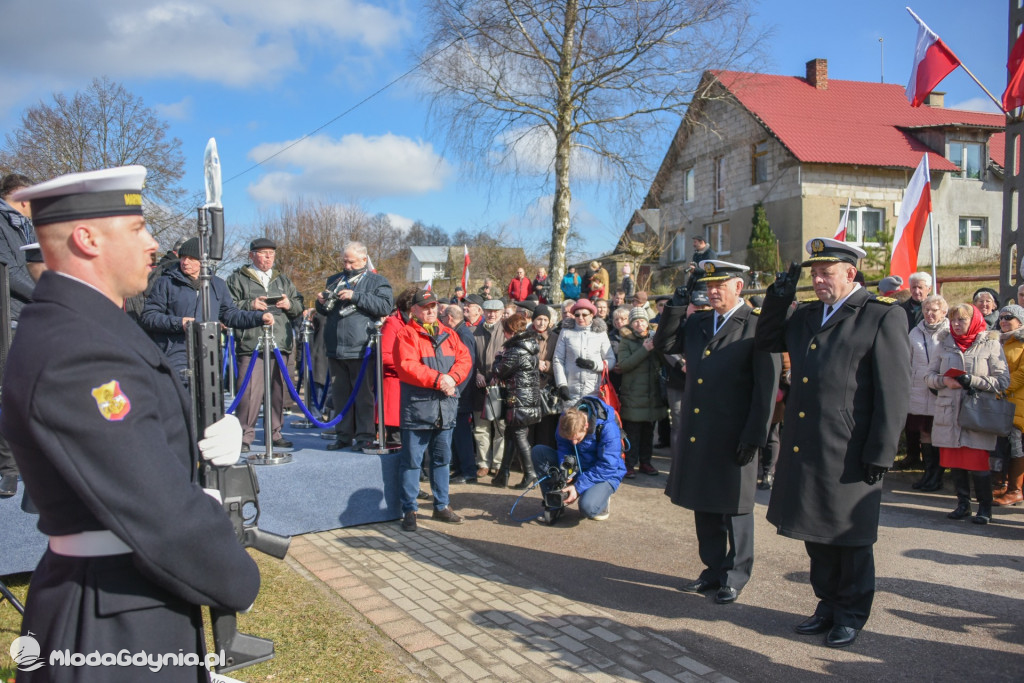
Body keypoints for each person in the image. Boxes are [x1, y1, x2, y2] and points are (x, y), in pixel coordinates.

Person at [2, 166, 260, 678]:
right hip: (110, 616)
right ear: (87, 238)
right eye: (139, 227)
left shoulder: (87, 327)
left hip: (126, 595)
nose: (154, 242)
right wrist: (236, 576)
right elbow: (156, 510)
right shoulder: (79, 350)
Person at [754, 237, 911, 648]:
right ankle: (826, 604)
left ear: (850, 274)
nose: (818, 279)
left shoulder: (879, 316)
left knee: (850, 538)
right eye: (814, 273)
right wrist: (780, 295)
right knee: (815, 534)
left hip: (850, 449)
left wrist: (882, 450)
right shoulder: (808, 315)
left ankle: (851, 614)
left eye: (826, 273)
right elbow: (767, 339)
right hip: (807, 445)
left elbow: (894, 392)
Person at [665, 261, 780, 605]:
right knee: (706, 504)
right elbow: (666, 343)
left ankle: (736, 574)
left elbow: (766, 387)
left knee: (737, 508)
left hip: (736, 431)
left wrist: (756, 435)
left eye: (721, 284)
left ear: (739, 287)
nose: (713, 291)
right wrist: (676, 303)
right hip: (701, 430)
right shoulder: (700, 321)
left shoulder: (757, 325)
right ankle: (713, 569)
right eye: (709, 285)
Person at [142, 237, 270, 386]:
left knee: (208, 402)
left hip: (208, 354)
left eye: (191, 258)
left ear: (202, 261)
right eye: (183, 257)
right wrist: (179, 322)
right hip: (175, 353)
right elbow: (148, 317)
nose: (185, 262)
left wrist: (259, 317)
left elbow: (231, 315)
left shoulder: (217, 285)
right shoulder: (165, 282)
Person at [394, 289, 472, 532]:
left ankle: (441, 506)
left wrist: (452, 378)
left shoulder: (449, 334)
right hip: (418, 409)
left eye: (433, 306)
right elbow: (407, 367)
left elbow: (465, 360)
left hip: (444, 408)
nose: (430, 311)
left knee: (442, 460)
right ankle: (409, 509)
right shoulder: (406, 334)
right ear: (414, 310)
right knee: (412, 462)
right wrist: (441, 380)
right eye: (424, 307)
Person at [925, 303, 1008, 524]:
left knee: (979, 465)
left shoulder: (990, 343)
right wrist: (944, 381)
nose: (956, 324)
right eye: (953, 320)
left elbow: (1002, 381)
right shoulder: (944, 343)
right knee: (956, 464)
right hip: (949, 413)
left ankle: (984, 508)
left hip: (976, 414)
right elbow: (929, 376)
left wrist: (973, 381)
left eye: (961, 319)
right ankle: (962, 504)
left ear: (973, 320)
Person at [226, 238, 304, 452]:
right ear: (252, 255)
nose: (269, 257)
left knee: (279, 390)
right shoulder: (237, 279)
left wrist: (290, 304)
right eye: (263, 253)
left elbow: (299, 306)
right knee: (249, 391)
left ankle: (275, 432)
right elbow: (227, 307)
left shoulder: (283, 279)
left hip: (280, 343)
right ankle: (245, 435)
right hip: (252, 343)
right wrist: (249, 304)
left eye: (272, 253)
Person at [317, 241, 394, 451]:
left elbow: (386, 306)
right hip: (336, 348)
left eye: (351, 261)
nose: (347, 265)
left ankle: (365, 436)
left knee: (363, 396)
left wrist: (356, 296)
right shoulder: (334, 280)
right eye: (344, 261)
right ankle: (343, 435)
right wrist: (320, 302)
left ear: (363, 259)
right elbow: (324, 312)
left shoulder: (377, 281)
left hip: (362, 348)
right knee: (340, 395)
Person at [531, 398, 626, 523]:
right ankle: (555, 504)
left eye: (577, 439)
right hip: (580, 465)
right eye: (570, 439)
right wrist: (566, 469)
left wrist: (577, 487)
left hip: (605, 473)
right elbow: (563, 448)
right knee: (539, 452)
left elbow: (608, 466)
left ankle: (602, 500)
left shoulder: (607, 427)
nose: (574, 443)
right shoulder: (565, 422)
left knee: (587, 508)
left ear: (586, 426)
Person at [0, 173, 36, 499]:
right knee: (9, 394)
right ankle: (8, 470)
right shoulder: (1, 222)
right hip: (8, 316)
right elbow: (7, 271)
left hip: (28, 316)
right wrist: (42, 291)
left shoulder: (26, 226)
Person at [491, 313, 541, 488]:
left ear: (510, 331)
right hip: (527, 398)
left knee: (518, 436)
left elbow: (499, 371)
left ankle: (530, 473)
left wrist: (498, 358)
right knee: (511, 435)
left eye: (505, 331)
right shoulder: (530, 346)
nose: (504, 334)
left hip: (519, 399)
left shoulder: (515, 350)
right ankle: (503, 474)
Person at [906, 295, 949, 490]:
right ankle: (928, 473)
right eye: (926, 310)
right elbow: (907, 359)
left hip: (940, 389)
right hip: (919, 389)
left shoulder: (949, 332)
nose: (929, 314)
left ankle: (937, 476)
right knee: (924, 432)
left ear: (943, 312)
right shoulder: (915, 332)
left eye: (934, 310)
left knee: (937, 432)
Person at [440, 303, 479, 484]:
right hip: (459, 391)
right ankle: (461, 468)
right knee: (457, 432)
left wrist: (455, 388)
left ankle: (469, 471)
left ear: (449, 318)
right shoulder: (461, 333)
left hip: (461, 392)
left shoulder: (463, 335)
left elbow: (466, 366)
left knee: (462, 433)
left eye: (442, 317)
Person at [553, 298, 616, 408]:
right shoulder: (566, 332)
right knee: (571, 424)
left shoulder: (600, 333)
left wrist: (595, 365)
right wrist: (562, 384)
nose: (580, 318)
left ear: (592, 315)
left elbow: (611, 360)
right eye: (577, 315)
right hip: (571, 391)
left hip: (594, 392)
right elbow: (558, 359)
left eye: (584, 314)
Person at [473, 298, 508, 477]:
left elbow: (510, 359)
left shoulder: (507, 332)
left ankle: (498, 463)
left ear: (502, 313)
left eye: (495, 311)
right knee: (481, 428)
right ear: (482, 312)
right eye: (488, 311)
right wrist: (477, 373)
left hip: (500, 386)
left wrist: (498, 376)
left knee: (500, 427)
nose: (491, 314)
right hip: (479, 387)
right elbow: (469, 358)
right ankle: (483, 463)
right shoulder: (475, 332)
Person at [994, 304, 1024, 506]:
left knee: (1016, 447)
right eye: (1002, 317)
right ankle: (1001, 484)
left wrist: (1001, 387)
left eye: (1009, 317)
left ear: (1020, 321)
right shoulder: (995, 340)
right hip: (997, 402)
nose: (1004, 320)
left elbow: (1022, 373)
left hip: (1016, 401)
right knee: (1000, 445)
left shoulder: (1021, 342)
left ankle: (1015, 490)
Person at [381, 287, 419, 447]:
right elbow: (384, 355)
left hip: (414, 384)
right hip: (396, 383)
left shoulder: (418, 323)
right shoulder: (393, 322)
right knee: (396, 441)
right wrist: (409, 367)